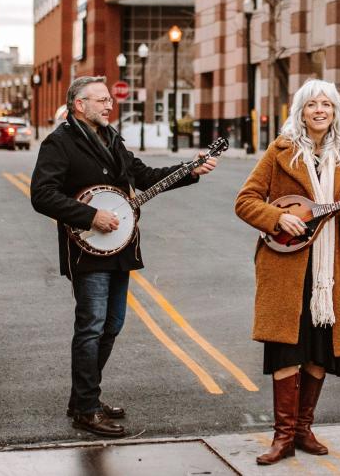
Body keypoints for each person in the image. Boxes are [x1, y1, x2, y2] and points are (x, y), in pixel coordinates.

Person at [30, 76, 217, 438]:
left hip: (120, 247)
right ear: (79, 105)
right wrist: (90, 216)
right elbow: (41, 194)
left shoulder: (112, 139)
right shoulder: (59, 143)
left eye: (108, 100)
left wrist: (189, 169)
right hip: (87, 248)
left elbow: (144, 176)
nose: (108, 105)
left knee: (111, 325)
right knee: (91, 327)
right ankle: (86, 408)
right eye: (100, 100)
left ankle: (84, 398)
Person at [235, 78, 340, 466]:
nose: (320, 110)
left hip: (333, 270)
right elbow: (245, 201)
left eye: (327, 104)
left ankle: (303, 429)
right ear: (300, 111)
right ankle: (282, 438)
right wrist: (278, 218)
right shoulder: (280, 152)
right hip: (287, 265)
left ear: (336, 111)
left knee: (318, 351)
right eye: (313, 104)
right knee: (286, 351)